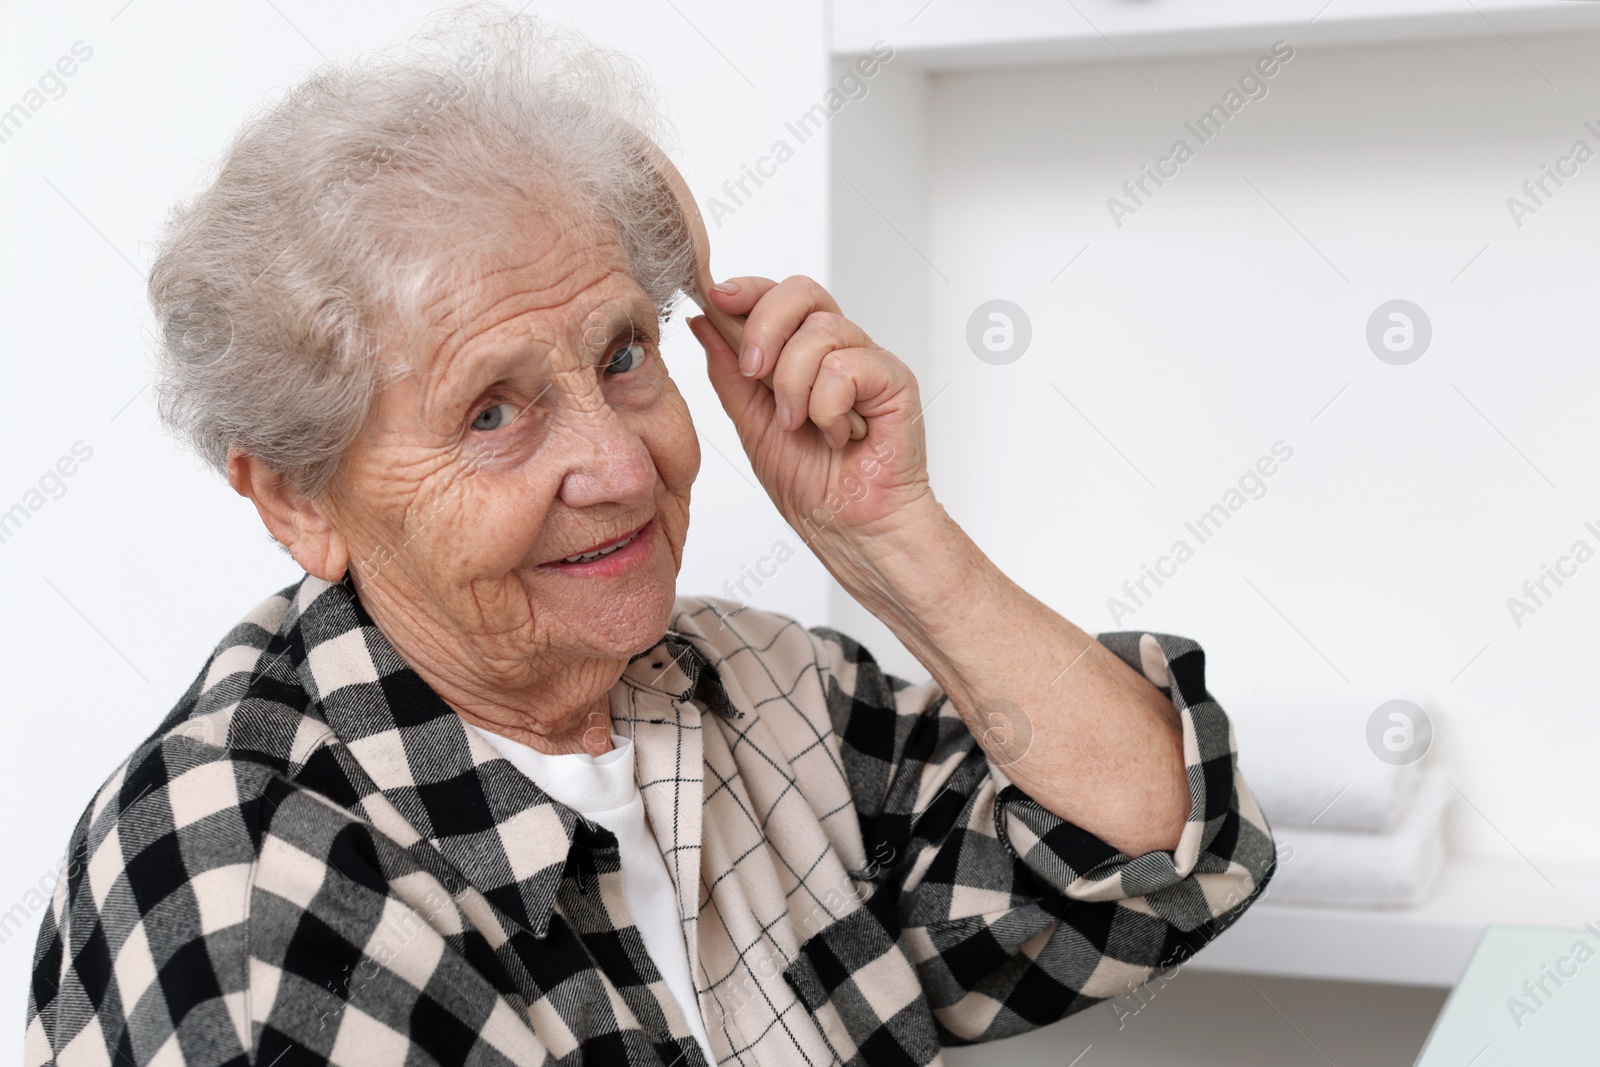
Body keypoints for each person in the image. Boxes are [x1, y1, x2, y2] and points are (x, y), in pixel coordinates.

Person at [25, 8, 1276, 1065]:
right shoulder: (254, 881)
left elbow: (1146, 858)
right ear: (300, 496)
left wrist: (896, 538)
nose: (621, 465)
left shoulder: (745, 686)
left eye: (623, 354)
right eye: (494, 411)